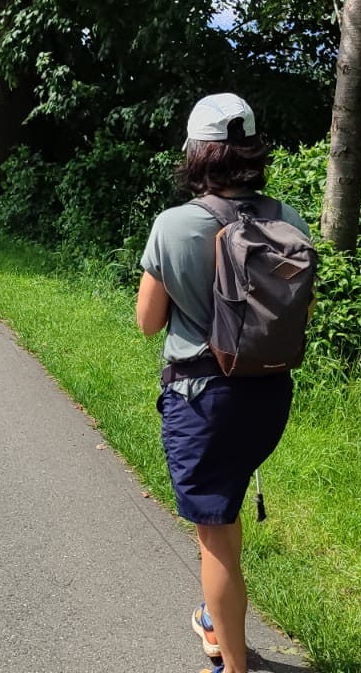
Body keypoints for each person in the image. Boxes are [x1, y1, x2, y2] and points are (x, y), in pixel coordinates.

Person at [135, 94, 308, 673]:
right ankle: (216, 619)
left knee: (215, 534)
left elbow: (148, 321)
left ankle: (232, 666)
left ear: (198, 152)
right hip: (269, 395)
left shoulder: (175, 226)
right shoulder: (289, 220)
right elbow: (297, 315)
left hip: (203, 401)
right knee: (225, 514)